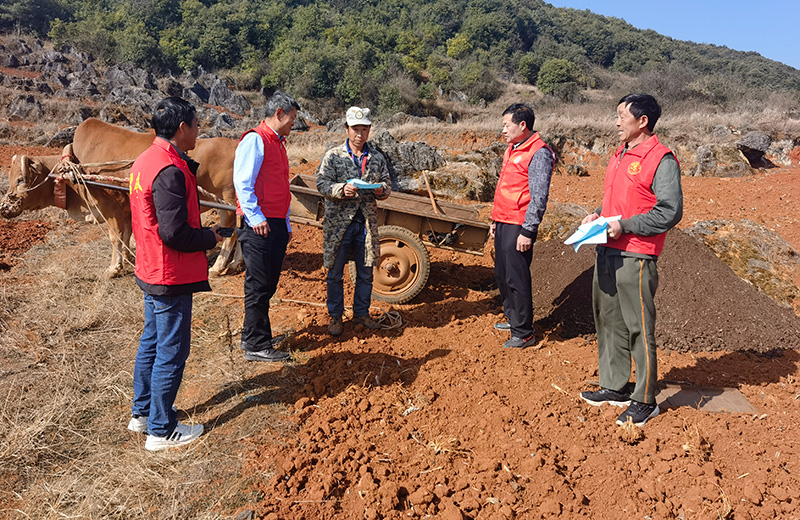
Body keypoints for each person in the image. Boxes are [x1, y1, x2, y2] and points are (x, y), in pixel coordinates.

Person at [578, 93, 683, 427]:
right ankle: (615, 385)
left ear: (643, 122)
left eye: (621, 115)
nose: (616, 120)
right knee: (608, 321)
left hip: (636, 253)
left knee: (639, 327)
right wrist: (598, 215)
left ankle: (645, 399)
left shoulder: (661, 158)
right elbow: (621, 199)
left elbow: (670, 211)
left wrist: (624, 225)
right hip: (607, 248)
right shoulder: (620, 154)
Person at [127, 97, 223, 451]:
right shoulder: (169, 170)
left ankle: (143, 413)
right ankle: (162, 429)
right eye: (197, 124)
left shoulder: (144, 160)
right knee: (171, 350)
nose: (199, 131)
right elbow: (174, 232)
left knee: (151, 342)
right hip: (169, 273)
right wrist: (208, 238)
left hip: (151, 267)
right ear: (182, 127)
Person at [234, 90, 299, 362]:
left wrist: (284, 222)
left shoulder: (277, 142)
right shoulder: (255, 140)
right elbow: (242, 183)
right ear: (279, 113)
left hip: (274, 223)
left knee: (268, 283)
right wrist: (256, 217)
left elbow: (279, 187)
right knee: (259, 284)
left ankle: (254, 334)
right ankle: (256, 345)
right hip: (259, 224)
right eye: (292, 118)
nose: (294, 123)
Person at [316, 107, 391, 336]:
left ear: (369, 130)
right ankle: (336, 317)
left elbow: (387, 183)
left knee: (366, 272)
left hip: (366, 224)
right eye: (355, 129)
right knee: (335, 273)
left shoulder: (377, 157)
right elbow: (321, 184)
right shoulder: (334, 155)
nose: (360, 134)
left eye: (364, 129)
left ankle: (361, 313)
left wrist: (381, 190)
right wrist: (342, 189)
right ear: (347, 129)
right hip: (339, 224)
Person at [489, 103, 554, 349]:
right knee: (503, 275)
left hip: (519, 223)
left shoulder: (539, 153)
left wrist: (528, 230)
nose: (503, 130)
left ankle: (524, 332)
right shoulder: (512, 148)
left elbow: (539, 196)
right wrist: (495, 220)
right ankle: (512, 318)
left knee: (517, 278)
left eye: (507, 125)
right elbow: (504, 189)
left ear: (522, 125)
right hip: (504, 219)